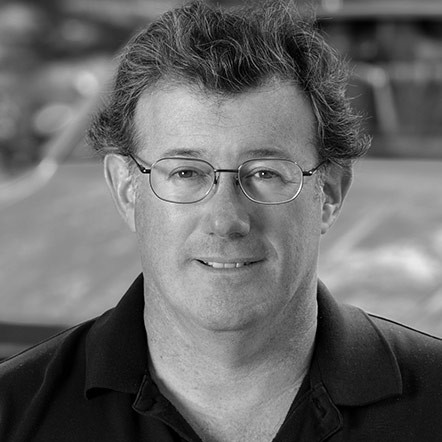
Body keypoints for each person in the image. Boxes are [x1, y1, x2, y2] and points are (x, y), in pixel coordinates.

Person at [1, 1, 441, 441]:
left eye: (265, 173)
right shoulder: (12, 413)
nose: (226, 220)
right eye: (185, 173)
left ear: (329, 192)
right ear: (125, 188)